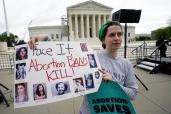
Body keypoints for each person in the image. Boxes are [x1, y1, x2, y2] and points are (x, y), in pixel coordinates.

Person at [28, 21, 137, 114]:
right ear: (103, 40)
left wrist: (113, 82)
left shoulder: (126, 64)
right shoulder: (91, 57)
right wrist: (42, 38)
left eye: (119, 34)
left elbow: (132, 94)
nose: (117, 38)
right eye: (112, 35)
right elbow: (60, 56)